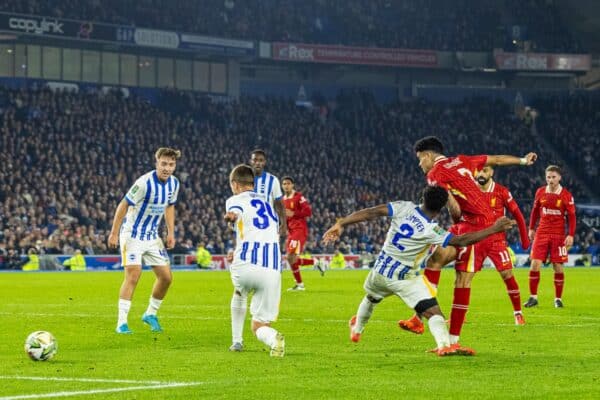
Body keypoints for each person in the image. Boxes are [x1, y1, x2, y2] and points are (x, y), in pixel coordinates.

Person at [322, 185, 515, 356]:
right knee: (434, 314)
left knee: (372, 298)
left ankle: (357, 329)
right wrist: (493, 228)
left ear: (422, 198)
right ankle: (444, 346)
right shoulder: (432, 230)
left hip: (379, 271)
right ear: (440, 210)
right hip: (404, 278)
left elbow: (372, 212)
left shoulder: (403, 207)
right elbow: (461, 241)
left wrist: (341, 224)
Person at [398, 136, 537, 348]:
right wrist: (524, 161)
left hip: (478, 226)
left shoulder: (436, 173)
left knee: (462, 280)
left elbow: (452, 205)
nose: (420, 165)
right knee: (435, 260)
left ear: (427, 155)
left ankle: (453, 341)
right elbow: (497, 159)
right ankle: (418, 318)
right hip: (468, 223)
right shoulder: (462, 160)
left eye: (419, 160)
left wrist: (454, 221)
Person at [108, 147, 181, 334]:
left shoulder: (174, 184)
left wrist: (171, 232)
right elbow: (123, 204)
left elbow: (170, 207)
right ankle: (121, 323)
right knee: (134, 275)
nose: (167, 168)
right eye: (164, 164)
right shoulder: (143, 183)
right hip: (132, 235)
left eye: (171, 164)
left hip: (152, 237)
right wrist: (114, 233)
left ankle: (150, 314)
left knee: (166, 278)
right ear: (157, 163)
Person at [225, 164, 285, 357]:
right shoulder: (268, 205)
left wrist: (230, 217)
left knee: (239, 292)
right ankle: (273, 337)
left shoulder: (234, 200)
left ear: (235, 184)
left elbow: (234, 213)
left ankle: (236, 341)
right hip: (272, 270)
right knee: (259, 325)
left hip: (246, 265)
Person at [475, 166, 530, 325]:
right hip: (475, 239)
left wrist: (524, 238)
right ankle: (458, 315)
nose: (480, 174)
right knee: (464, 278)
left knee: (507, 275)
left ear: (491, 172)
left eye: (484, 171)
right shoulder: (470, 190)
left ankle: (518, 313)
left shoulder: (501, 191)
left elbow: (518, 215)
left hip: (496, 241)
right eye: (478, 171)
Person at [525, 165, 576, 308]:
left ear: (559, 177)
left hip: (559, 234)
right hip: (542, 232)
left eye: (553, 177)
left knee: (557, 266)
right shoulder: (540, 192)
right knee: (534, 264)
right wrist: (531, 228)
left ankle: (558, 299)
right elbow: (535, 211)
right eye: (548, 177)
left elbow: (572, 217)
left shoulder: (566, 195)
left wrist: (570, 235)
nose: (551, 180)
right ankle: (533, 297)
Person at [281, 176, 322, 291]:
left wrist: (293, 214)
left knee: (290, 256)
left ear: (292, 185)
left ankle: (300, 284)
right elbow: (286, 215)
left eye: (288, 183)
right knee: (291, 259)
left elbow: (308, 211)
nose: (286, 186)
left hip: (299, 230)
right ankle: (301, 282)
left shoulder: (298, 197)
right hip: (291, 231)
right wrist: (283, 226)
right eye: (284, 184)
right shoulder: (283, 199)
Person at [249, 149, 287, 235]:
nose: (258, 163)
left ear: (264, 162)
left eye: (261, 160)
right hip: (248, 226)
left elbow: (280, 204)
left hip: (268, 226)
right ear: (251, 161)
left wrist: (284, 224)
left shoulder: (273, 180)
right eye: (255, 160)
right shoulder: (244, 180)